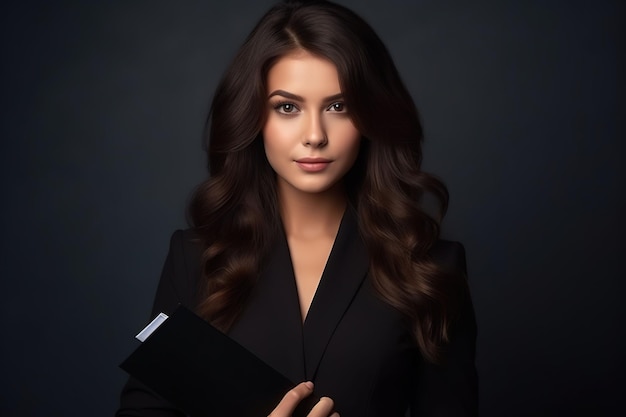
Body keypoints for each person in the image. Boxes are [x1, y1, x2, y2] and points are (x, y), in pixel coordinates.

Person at [117, 0, 478, 416]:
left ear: (370, 116)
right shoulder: (196, 257)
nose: (314, 135)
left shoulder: (432, 268)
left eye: (338, 107)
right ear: (254, 115)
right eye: (287, 107)